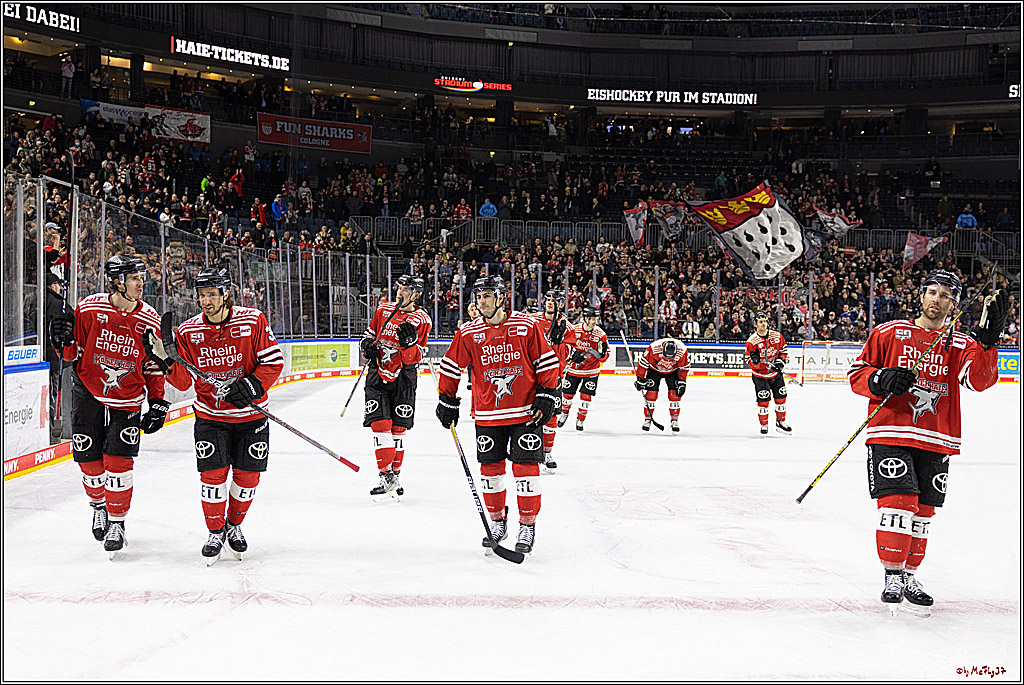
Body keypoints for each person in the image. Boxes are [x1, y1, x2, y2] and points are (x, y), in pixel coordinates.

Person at [848, 269, 1006, 617]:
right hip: (890, 430)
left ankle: (909, 576)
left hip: (937, 436)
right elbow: (857, 375)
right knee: (898, 502)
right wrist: (880, 379)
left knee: (923, 511)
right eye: (931, 292)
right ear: (921, 296)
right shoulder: (888, 332)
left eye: (945, 295)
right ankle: (891, 575)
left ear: (954, 304)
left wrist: (990, 343)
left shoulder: (962, 344)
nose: (936, 299)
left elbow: (979, 381)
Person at [142, 266, 284, 564]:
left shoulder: (252, 320)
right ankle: (215, 531)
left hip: (251, 418)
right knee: (212, 477)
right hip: (211, 417)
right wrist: (165, 360)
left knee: (247, 478)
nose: (205, 301)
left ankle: (234, 526)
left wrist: (250, 385)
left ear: (225, 293)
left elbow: (273, 361)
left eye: (211, 294)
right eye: (201, 295)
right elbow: (182, 382)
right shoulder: (188, 331)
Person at [47, 255, 169, 558]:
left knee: (119, 463)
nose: (141, 283)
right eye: (134, 278)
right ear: (117, 281)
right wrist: (60, 338)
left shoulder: (150, 317)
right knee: (89, 461)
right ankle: (98, 505)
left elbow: (152, 365)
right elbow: (72, 354)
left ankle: (117, 523)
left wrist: (157, 402)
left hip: (127, 397)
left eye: (141, 277)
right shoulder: (89, 308)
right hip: (88, 390)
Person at [436, 276, 560, 555]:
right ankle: (497, 522)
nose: (482, 301)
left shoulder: (526, 326)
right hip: (488, 414)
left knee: (525, 470)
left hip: (526, 412)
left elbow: (548, 362)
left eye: (488, 295)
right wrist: (447, 399)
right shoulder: (468, 333)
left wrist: (546, 393)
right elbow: (451, 366)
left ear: (502, 297)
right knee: (490, 472)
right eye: (478, 296)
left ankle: (527, 524)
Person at [359, 274, 432, 501]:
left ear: (416, 295)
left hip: (404, 377)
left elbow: (417, 355)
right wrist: (367, 348)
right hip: (377, 373)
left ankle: (395, 476)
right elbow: (368, 337)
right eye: (400, 287)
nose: (400, 292)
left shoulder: (422, 320)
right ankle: (385, 475)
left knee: (398, 430)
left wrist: (410, 346)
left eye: (406, 289)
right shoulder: (383, 311)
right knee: (380, 424)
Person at [530, 289, 576, 470]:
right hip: (531, 376)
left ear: (561, 304)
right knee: (528, 414)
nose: (549, 302)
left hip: (553, 378)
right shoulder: (532, 320)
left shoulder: (568, 327)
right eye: (547, 299)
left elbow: (569, 355)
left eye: (554, 300)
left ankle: (547, 452)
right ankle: (530, 450)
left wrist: (559, 343)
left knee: (551, 417)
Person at [558, 305, 610, 431]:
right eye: (592, 318)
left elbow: (605, 356)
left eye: (596, 319)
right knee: (566, 395)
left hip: (591, 371)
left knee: (586, 398)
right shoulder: (574, 330)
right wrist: (571, 355)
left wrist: (602, 355)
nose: (595, 322)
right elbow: (565, 348)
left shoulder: (600, 334)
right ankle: (564, 414)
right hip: (573, 370)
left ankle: (580, 420)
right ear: (585, 318)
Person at [633, 322, 689, 432]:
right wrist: (640, 378)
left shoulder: (682, 350)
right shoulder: (654, 348)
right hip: (655, 370)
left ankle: (674, 420)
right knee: (651, 395)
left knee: (675, 396)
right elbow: (643, 363)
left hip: (673, 372)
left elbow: (684, 367)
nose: (668, 360)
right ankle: (648, 419)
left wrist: (682, 382)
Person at [744, 312, 791, 436]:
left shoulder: (777, 336)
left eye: (765, 321)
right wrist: (756, 362)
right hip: (760, 377)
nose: (764, 324)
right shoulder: (752, 341)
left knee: (781, 398)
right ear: (755, 325)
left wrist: (780, 362)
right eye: (760, 322)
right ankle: (764, 424)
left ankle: (781, 422)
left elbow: (783, 350)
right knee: (763, 402)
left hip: (775, 374)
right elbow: (747, 359)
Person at [43, 272, 67, 442]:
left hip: (40, 355)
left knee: (48, 394)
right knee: (53, 394)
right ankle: (53, 433)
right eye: (58, 285)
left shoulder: (32, 299)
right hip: (55, 356)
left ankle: (50, 431)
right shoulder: (59, 304)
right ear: (53, 286)